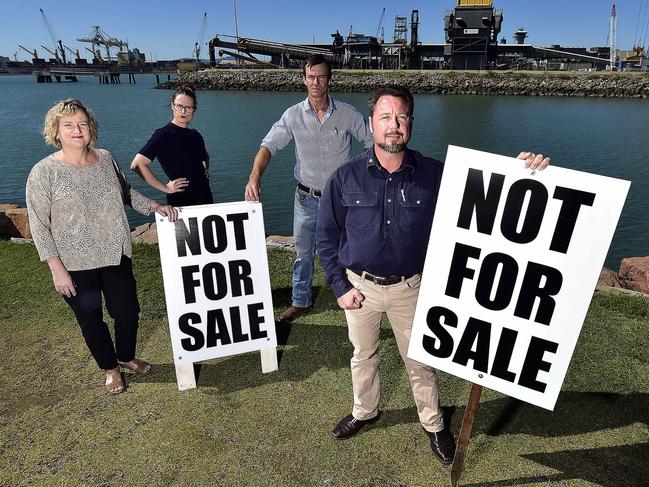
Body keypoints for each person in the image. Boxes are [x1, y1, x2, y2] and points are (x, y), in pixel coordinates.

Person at [316, 86, 550, 464]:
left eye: (402, 117)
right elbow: (326, 236)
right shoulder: (344, 177)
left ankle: (434, 423)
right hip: (360, 288)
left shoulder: (438, 174)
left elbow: (494, 195)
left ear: (410, 124)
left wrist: (527, 171)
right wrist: (340, 286)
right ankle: (365, 410)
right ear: (370, 124)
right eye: (386, 118)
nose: (394, 126)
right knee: (363, 355)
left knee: (420, 362)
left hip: (413, 288)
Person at [26, 98, 178, 395]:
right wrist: (57, 269)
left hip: (114, 253)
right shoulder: (43, 172)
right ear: (56, 132)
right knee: (91, 319)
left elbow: (126, 191)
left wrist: (154, 206)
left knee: (128, 312)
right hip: (75, 264)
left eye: (82, 124)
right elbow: (39, 225)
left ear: (90, 128)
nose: (77, 130)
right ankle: (110, 369)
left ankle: (125, 356)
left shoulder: (106, 158)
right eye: (68, 125)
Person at [244, 54, 373, 323]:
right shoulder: (292, 116)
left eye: (321, 77)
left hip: (341, 201)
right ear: (304, 79)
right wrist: (254, 177)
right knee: (303, 254)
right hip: (306, 199)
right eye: (311, 76)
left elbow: (371, 142)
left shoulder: (348, 114)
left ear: (329, 80)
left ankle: (352, 295)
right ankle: (300, 301)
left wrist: (363, 175)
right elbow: (268, 146)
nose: (316, 82)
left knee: (350, 251)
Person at [131, 85, 213, 207]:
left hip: (206, 199)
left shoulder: (195, 135)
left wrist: (205, 169)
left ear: (194, 110)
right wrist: (165, 188)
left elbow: (204, 156)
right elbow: (137, 164)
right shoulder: (163, 135)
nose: (184, 111)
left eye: (188, 107)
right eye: (179, 106)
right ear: (172, 106)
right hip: (181, 202)